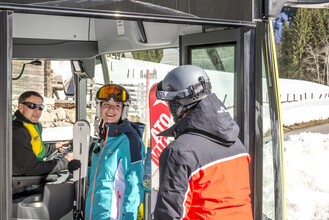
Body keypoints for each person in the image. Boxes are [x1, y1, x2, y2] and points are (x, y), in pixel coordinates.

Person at [154, 65, 253, 219]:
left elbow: (169, 215)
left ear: (176, 105)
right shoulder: (237, 144)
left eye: (170, 103)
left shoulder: (179, 152)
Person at [85, 84, 145, 220]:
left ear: (124, 110)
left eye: (117, 105)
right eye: (106, 104)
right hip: (94, 214)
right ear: (99, 108)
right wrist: (81, 170)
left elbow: (134, 186)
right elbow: (103, 176)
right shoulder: (105, 138)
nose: (111, 109)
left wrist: (130, 217)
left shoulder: (130, 141)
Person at [13, 91, 75, 176]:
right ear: (20, 107)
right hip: (26, 182)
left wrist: (54, 146)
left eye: (40, 107)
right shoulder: (18, 130)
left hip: (32, 176)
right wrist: (66, 161)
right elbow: (31, 169)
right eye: (32, 106)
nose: (37, 111)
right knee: (72, 178)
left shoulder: (33, 125)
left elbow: (35, 151)